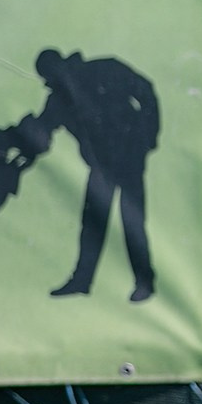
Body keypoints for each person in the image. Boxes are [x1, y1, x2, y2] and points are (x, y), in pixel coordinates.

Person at [31, 49, 159, 301]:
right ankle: (82, 280)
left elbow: (145, 90)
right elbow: (41, 131)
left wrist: (148, 136)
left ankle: (144, 282)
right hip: (101, 164)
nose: (54, 80)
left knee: (131, 220)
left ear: (63, 64)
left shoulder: (105, 69)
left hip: (129, 155)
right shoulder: (59, 100)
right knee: (93, 221)